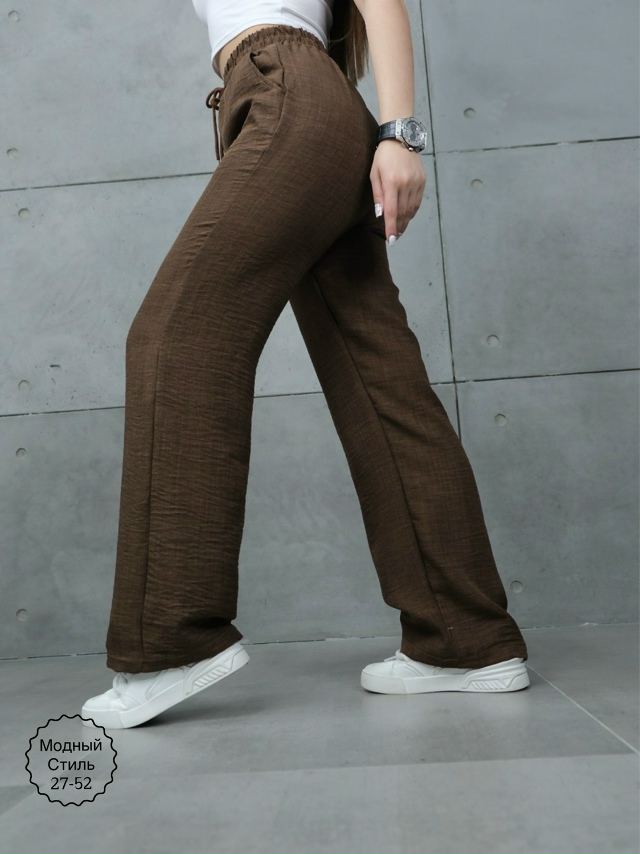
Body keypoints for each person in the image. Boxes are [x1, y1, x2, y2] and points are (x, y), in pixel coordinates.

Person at [81, 0, 530, 731]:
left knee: (175, 337)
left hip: (287, 93)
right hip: (301, 102)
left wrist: (401, 134)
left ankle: (170, 640)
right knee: (378, 379)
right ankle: (466, 640)